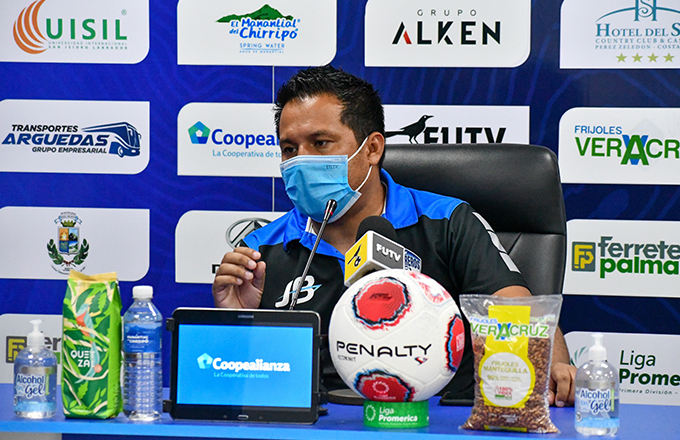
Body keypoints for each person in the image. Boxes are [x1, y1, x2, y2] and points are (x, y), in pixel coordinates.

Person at [212, 65, 576, 406]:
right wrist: (239, 323)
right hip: (317, 424)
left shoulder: (448, 221)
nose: (300, 161)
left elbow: (520, 316)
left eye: (320, 143)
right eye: (289, 149)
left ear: (372, 148)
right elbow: (241, 386)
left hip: (436, 420)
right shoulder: (259, 251)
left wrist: (554, 367)